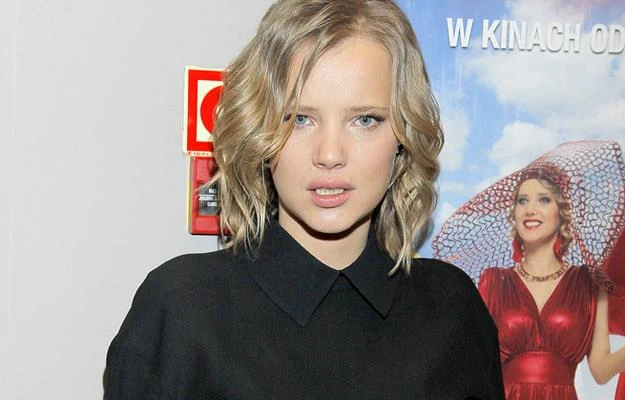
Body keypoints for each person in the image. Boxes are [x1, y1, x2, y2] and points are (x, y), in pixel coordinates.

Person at [103, 1, 504, 399]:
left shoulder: (453, 310)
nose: (329, 154)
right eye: (299, 119)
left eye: (365, 120)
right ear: (260, 129)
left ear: (403, 135)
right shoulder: (182, 310)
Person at [433, 141, 625, 400]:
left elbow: (601, 371)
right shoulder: (493, 282)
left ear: (562, 212)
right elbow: (473, 366)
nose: (530, 209)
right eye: (522, 201)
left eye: (543, 200)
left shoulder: (589, 284)